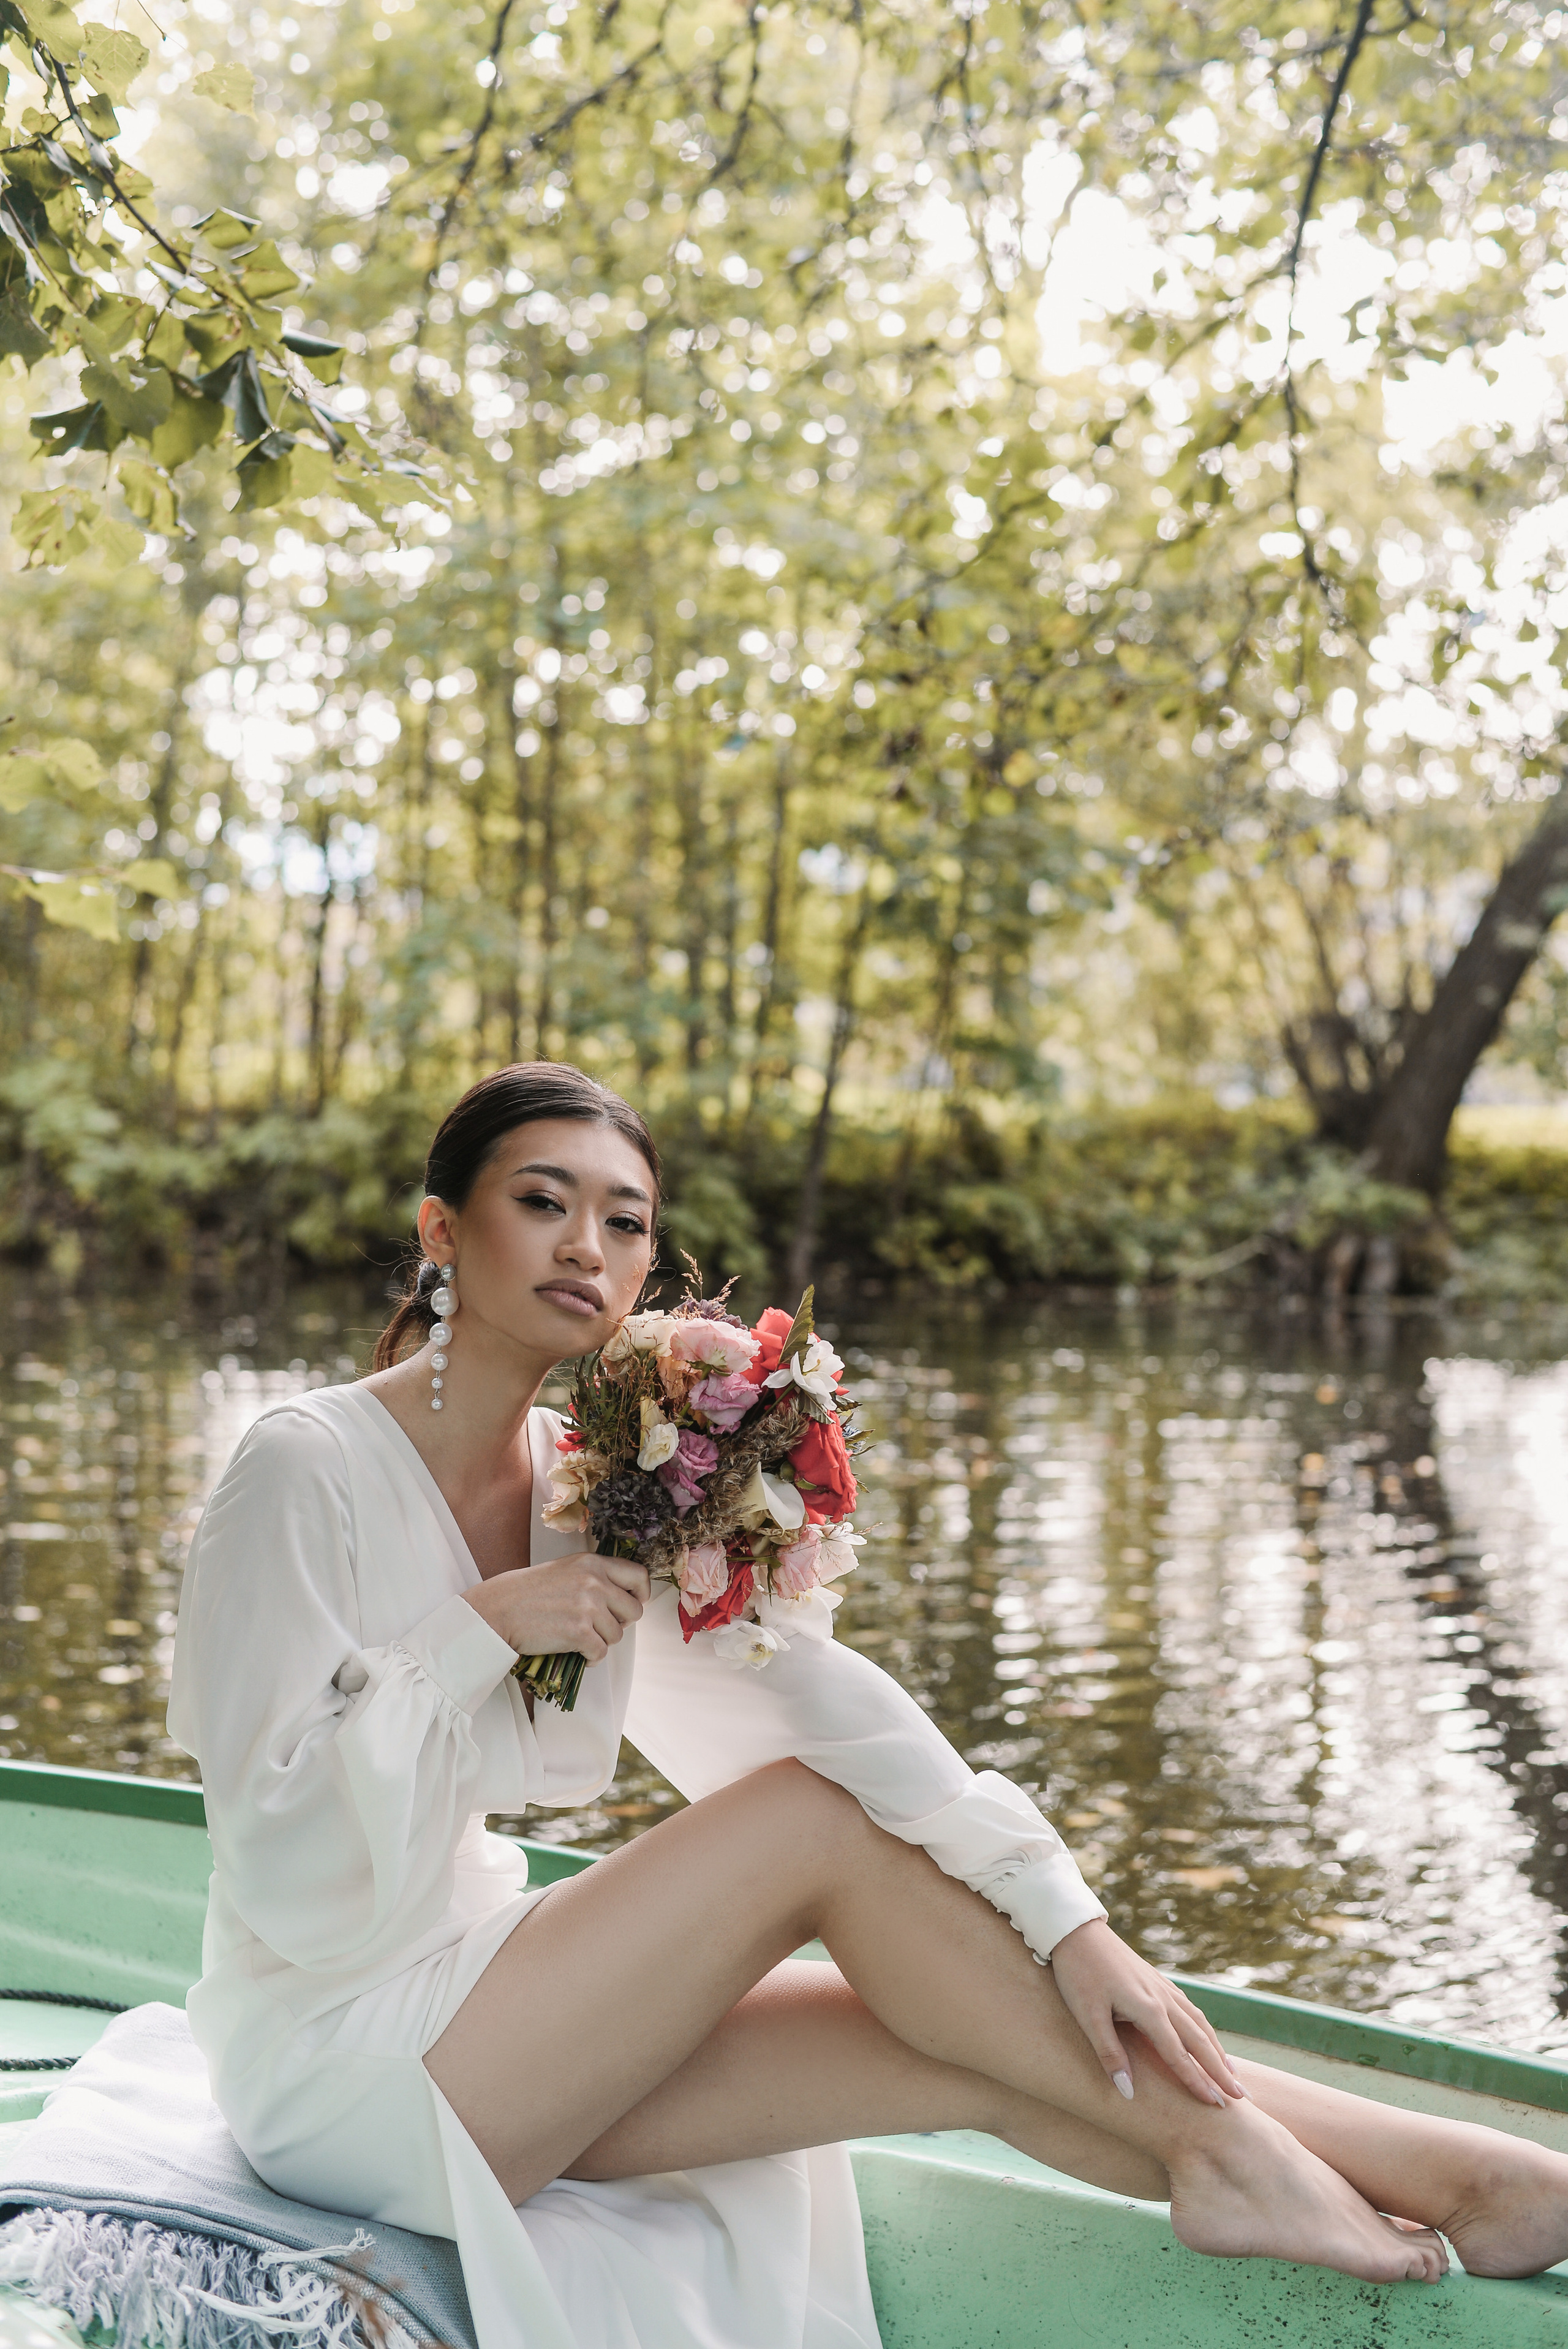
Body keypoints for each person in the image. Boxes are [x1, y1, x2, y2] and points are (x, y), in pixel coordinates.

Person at [168, 1062, 1568, 2349]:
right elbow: (281, 1853)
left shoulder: (586, 1480)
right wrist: (476, 1633)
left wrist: (1068, 1922)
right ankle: (1238, 2158)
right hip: (337, 2056)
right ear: (440, 1229)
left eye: (623, 1221)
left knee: (950, 2028)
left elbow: (800, 1706)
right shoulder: (302, 1467)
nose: (584, 1246)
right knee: (809, 1829)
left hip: (487, 1993)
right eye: (541, 1203)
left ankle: (1469, 2179)